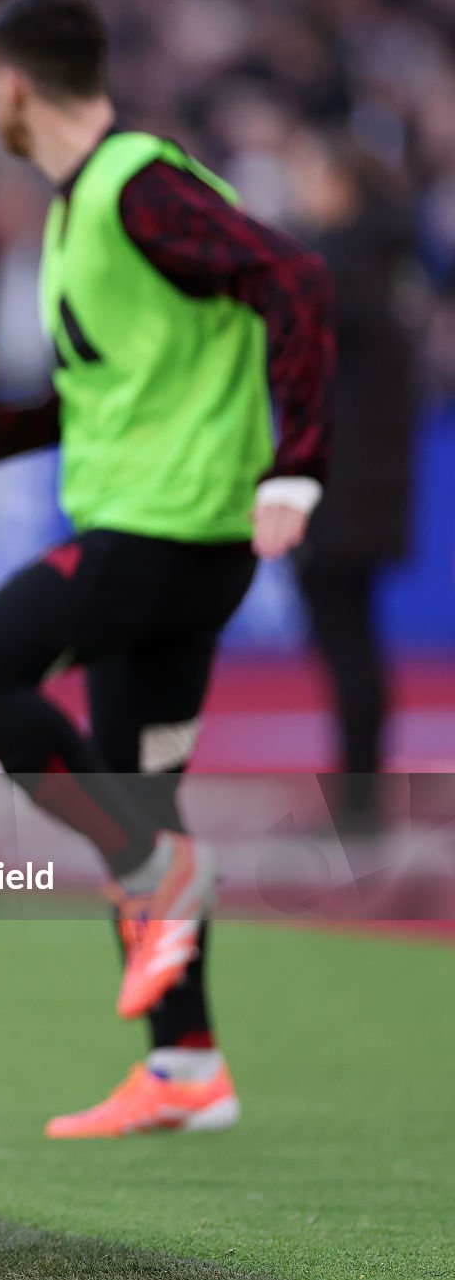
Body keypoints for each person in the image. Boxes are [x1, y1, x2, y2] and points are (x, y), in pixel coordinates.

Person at [0, 0, 333, 1139]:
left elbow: (291, 277)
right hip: (174, 539)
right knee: (139, 787)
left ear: (11, 83)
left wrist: (297, 463)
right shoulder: (89, 206)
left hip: (159, 535)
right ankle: (184, 1063)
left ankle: (152, 862)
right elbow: (112, 386)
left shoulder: (135, 184)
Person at [283, 128, 418, 833]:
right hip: (367, 485)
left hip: (339, 487)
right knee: (355, 637)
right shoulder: (384, 265)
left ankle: (360, 801)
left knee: (345, 641)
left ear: (344, 189)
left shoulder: (338, 269)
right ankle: (361, 791)